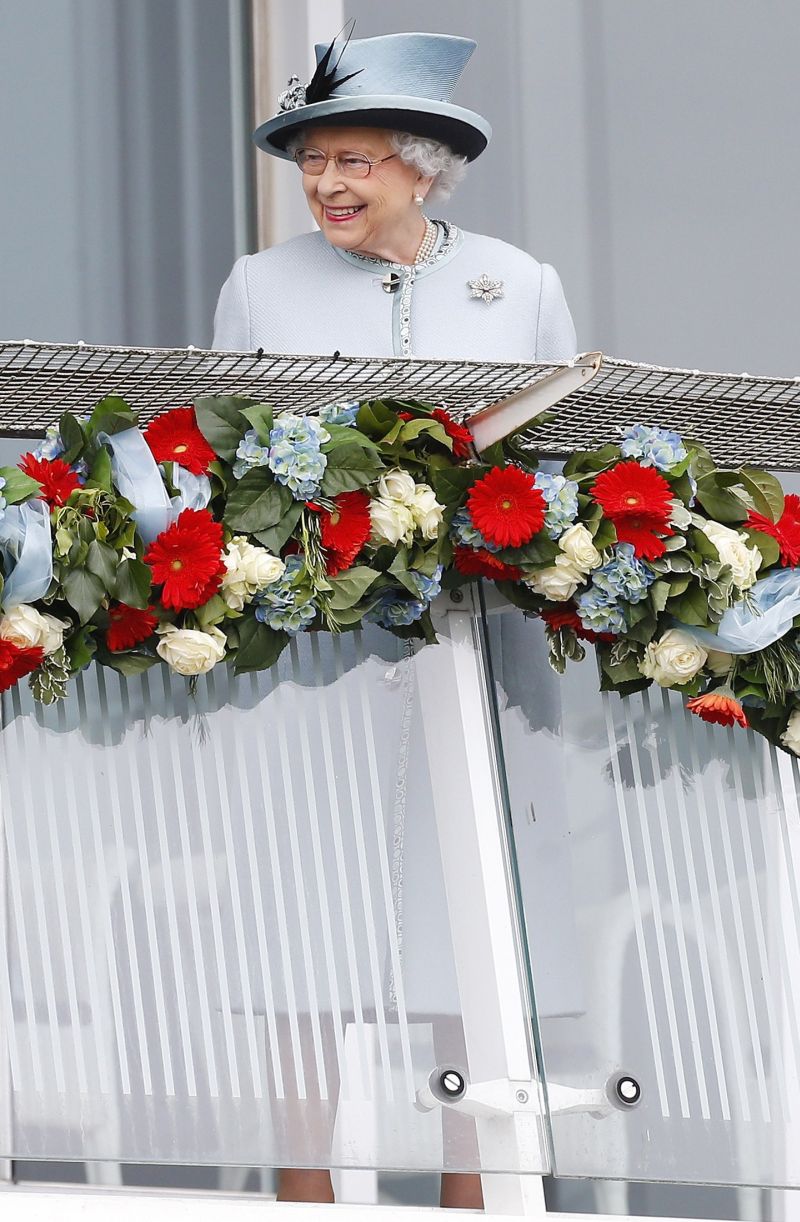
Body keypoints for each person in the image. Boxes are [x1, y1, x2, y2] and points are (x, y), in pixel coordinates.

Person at [212, 29, 577, 1209]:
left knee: (458, 915)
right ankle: (302, 1191)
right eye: (313, 160)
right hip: (309, 661)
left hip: (473, 661)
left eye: (353, 159)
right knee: (300, 913)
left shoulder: (517, 283)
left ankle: (474, 1192)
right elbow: (219, 463)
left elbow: (557, 466)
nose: (326, 184)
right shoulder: (259, 284)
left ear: (420, 168)